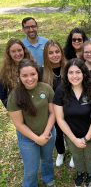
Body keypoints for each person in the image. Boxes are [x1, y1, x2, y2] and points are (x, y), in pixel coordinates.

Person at [7, 59, 56, 187]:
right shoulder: (14, 96)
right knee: (31, 170)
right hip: (27, 138)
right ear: (19, 76)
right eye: (25, 75)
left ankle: (48, 179)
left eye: (33, 74)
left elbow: (53, 113)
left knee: (47, 160)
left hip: (48, 133)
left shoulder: (46, 88)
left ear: (37, 73)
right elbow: (19, 124)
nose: (30, 78)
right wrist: (36, 139)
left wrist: (45, 134)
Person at [53, 58, 91, 187]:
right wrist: (74, 139)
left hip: (90, 134)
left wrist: (87, 138)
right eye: (70, 72)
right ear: (66, 74)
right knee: (77, 156)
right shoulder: (60, 91)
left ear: (84, 73)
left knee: (90, 156)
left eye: (78, 72)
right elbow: (60, 118)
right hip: (71, 134)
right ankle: (80, 172)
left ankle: (90, 173)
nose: (74, 76)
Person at [40, 40, 67, 167]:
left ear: (61, 52)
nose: (55, 55)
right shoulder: (41, 72)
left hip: (69, 107)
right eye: (50, 53)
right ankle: (61, 152)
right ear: (46, 55)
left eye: (57, 52)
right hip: (52, 109)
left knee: (71, 129)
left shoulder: (68, 68)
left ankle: (73, 152)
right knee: (57, 133)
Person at [0, 38, 36, 108]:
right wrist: (10, 109)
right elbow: (2, 93)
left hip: (35, 104)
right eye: (13, 51)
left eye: (19, 50)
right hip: (17, 106)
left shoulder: (33, 64)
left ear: (24, 50)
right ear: (9, 53)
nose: (17, 54)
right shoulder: (5, 71)